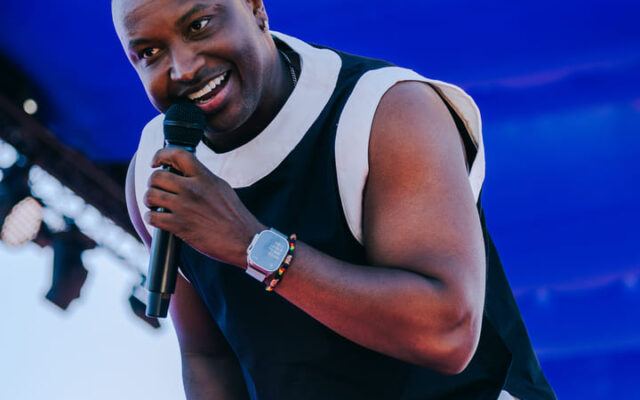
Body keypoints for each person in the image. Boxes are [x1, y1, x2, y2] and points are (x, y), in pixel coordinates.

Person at [112, 0, 557, 399]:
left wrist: (251, 246)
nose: (183, 68)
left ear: (255, 7)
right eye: (149, 52)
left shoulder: (388, 110)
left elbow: (447, 334)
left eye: (199, 25)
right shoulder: (155, 171)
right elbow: (208, 357)